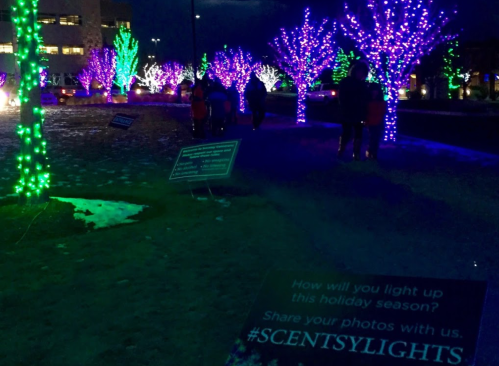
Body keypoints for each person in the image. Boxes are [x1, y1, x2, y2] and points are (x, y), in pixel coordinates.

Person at [338, 61, 370, 160]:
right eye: (359, 71)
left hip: (359, 113)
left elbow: (366, 99)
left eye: (363, 72)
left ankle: (356, 153)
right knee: (346, 132)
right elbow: (342, 97)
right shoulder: (346, 82)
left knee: (358, 133)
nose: (361, 74)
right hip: (348, 112)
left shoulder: (363, 84)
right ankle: (341, 150)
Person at [365, 83, 386, 160]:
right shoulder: (368, 100)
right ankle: (370, 153)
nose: (374, 92)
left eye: (375, 90)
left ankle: (373, 154)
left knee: (375, 138)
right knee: (372, 138)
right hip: (371, 122)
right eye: (373, 90)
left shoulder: (380, 101)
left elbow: (382, 111)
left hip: (378, 122)